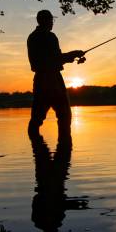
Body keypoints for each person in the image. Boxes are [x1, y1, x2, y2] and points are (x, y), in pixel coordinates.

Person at [27, 10, 84, 139]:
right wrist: (74, 54)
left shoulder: (32, 37)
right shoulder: (50, 37)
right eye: (51, 20)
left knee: (36, 119)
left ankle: (37, 151)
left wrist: (72, 56)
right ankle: (63, 153)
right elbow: (56, 58)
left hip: (40, 81)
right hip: (53, 80)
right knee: (64, 116)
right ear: (46, 21)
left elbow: (53, 58)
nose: (53, 23)